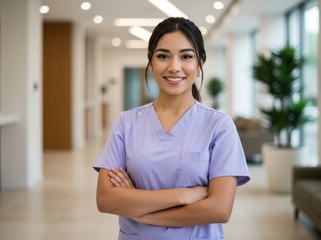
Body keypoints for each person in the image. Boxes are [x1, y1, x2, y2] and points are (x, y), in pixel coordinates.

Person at [93, 17, 250, 240]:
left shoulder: (218, 126)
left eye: (186, 56)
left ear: (200, 62)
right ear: (151, 62)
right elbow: (106, 200)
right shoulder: (126, 123)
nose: (174, 66)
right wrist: (182, 195)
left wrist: (138, 209)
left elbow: (219, 209)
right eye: (163, 56)